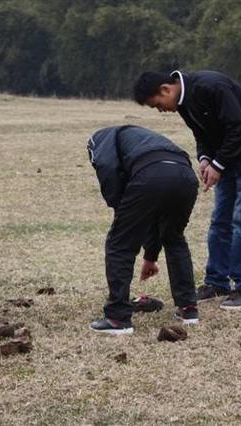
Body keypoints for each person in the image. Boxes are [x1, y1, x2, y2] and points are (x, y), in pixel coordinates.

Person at [133, 70, 241, 310]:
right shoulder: (183, 102)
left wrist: (218, 164)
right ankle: (216, 282)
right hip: (229, 155)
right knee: (220, 221)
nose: (160, 110)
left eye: (157, 105)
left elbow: (238, 127)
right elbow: (202, 133)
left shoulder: (211, 86)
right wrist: (204, 158)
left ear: (165, 89)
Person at [87, 125, 200, 334]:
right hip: (185, 175)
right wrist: (150, 256)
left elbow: (107, 168)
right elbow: (153, 213)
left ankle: (117, 319)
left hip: (151, 173)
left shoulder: (97, 141)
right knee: (174, 237)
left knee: (120, 243)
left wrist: (120, 209)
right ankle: (188, 308)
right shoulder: (140, 137)